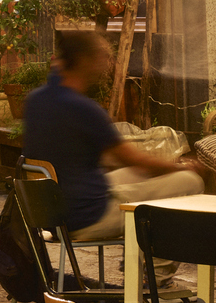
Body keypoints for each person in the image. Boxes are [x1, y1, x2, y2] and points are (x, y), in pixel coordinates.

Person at [23, 30, 203, 250]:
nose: (108, 62)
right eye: (102, 55)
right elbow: (136, 161)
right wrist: (181, 166)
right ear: (84, 60)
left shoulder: (36, 100)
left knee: (136, 175)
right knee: (189, 181)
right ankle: (151, 269)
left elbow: (99, 157)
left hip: (53, 211)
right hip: (88, 216)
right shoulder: (83, 108)